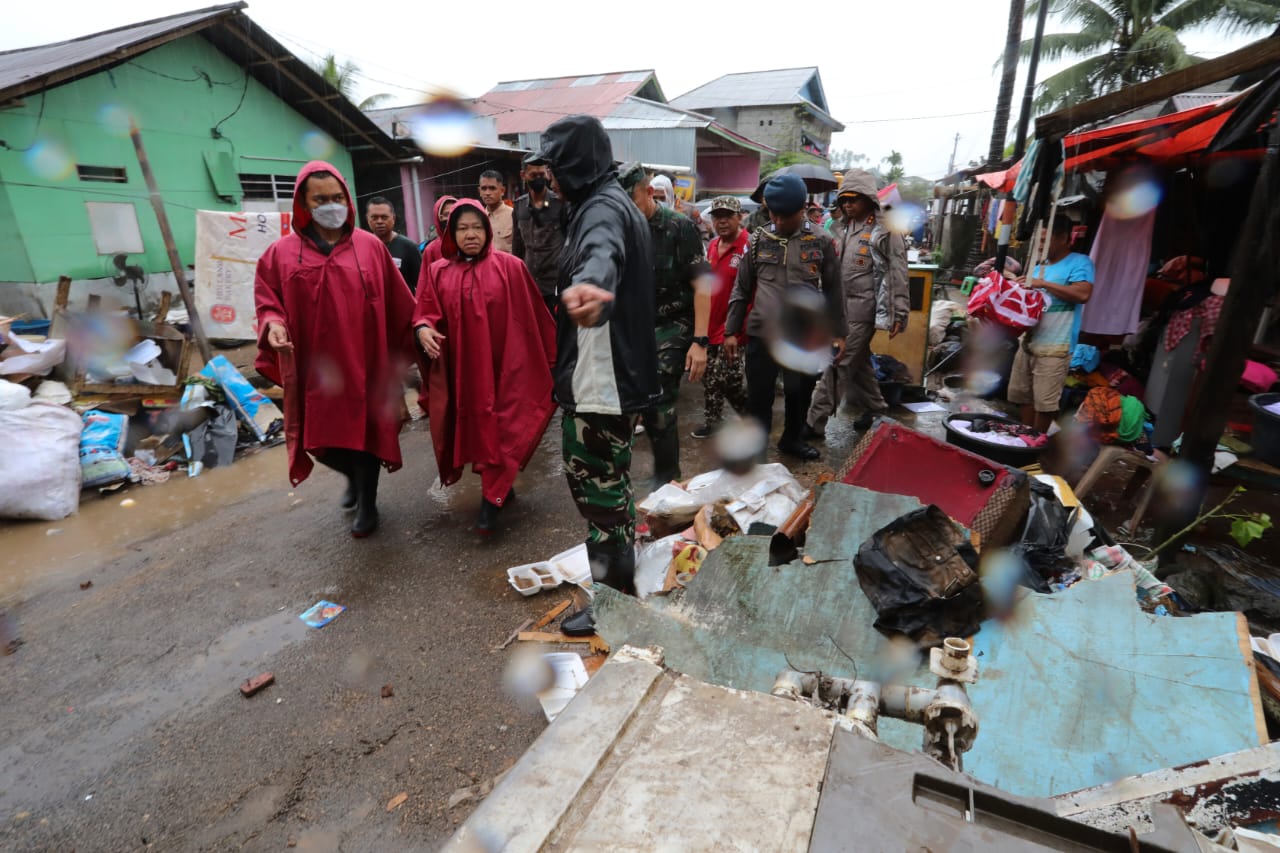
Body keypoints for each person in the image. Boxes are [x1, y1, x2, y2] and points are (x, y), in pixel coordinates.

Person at [538, 115, 659, 636]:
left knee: (600, 495)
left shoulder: (602, 209)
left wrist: (590, 284)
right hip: (613, 378)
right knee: (614, 485)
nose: (549, 179)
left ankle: (613, 604)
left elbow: (600, 251)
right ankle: (620, 586)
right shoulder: (607, 201)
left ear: (573, 164)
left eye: (554, 167)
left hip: (600, 382)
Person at [254, 160, 420, 538]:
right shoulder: (280, 254)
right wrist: (273, 324)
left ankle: (368, 502)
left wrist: (420, 334)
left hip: (366, 362)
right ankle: (353, 479)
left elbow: (399, 301)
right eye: (321, 199)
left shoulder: (369, 247)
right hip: (315, 367)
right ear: (304, 204)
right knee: (316, 439)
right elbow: (268, 301)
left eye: (337, 197)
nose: (331, 205)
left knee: (368, 436)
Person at [413, 199, 556, 534]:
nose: (470, 234)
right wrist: (422, 329)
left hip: (506, 368)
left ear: (488, 229)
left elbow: (533, 318)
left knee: (504, 424)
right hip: (463, 373)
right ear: (450, 233)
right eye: (462, 228)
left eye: (477, 227)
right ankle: (501, 487)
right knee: (475, 430)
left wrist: (546, 361)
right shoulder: (438, 272)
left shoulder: (511, 267)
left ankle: (491, 500)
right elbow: (424, 311)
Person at [725, 173, 844, 460]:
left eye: (784, 216)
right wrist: (730, 330)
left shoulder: (822, 240)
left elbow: (833, 289)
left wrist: (838, 333)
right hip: (763, 332)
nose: (777, 221)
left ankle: (791, 440)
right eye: (773, 214)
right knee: (759, 396)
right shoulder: (757, 240)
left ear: (802, 208)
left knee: (799, 393)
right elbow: (741, 288)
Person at [618, 163, 709, 486]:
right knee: (622, 400)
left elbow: (702, 286)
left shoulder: (679, 228)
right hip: (635, 325)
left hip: (674, 321)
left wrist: (700, 341)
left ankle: (669, 478)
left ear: (650, 192)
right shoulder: (620, 230)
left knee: (658, 395)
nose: (628, 210)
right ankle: (618, 480)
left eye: (632, 202)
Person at [806, 170, 909, 437]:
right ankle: (876, 410)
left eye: (854, 199)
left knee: (837, 363)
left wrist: (900, 310)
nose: (848, 204)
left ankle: (813, 423)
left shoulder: (884, 230)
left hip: (865, 309)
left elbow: (898, 270)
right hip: (841, 310)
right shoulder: (843, 226)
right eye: (844, 200)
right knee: (860, 362)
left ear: (868, 199)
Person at [1007, 215, 1095, 433]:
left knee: (1045, 402)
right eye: (1038, 240)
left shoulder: (1080, 262)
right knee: (1024, 395)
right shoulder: (1040, 266)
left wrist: (1042, 283)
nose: (1039, 245)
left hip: (1056, 346)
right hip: (1029, 342)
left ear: (1064, 238)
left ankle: (1036, 444)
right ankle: (1025, 439)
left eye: (1045, 240)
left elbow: (1083, 294)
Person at [692, 196, 750, 438]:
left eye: (728, 216)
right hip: (710, 324)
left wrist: (735, 331)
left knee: (729, 380)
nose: (722, 221)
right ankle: (715, 422)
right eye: (717, 216)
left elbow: (751, 292)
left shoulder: (748, 247)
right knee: (711, 378)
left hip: (734, 327)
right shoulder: (713, 245)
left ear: (740, 217)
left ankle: (751, 416)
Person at [511, 153, 567, 315]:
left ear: (548, 174)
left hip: (555, 286)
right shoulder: (519, 206)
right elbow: (517, 248)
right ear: (523, 175)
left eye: (541, 175)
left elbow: (570, 242)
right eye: (533, 175)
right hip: (529, 286)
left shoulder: (560, 204)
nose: (538, 179)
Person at [364, 197, 422, 293]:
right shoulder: (363, 248)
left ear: (393, 218)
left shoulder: (409, 247)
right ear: (367, 219)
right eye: (374, 217)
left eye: (384, 217)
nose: (379, 221)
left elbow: (422, 285)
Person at [477, 170, 513, 253]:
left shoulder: (514, 215)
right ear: (479, 191)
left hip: (507, 265)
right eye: (484, 188)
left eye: (492, 188)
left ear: (502, 191)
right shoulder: (478, 218)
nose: (487, 193)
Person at [420, 195, 457, 268]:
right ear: (438, 217)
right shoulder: (431, 250)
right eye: (447, 214)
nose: (450, 218)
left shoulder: (468, 244)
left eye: (454, 213)